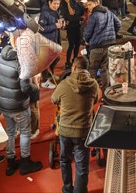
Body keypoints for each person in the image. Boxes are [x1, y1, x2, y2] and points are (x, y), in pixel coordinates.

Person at [51, 56, 99, 193]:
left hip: (65, 130)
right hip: (83, 131)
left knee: (65, 160)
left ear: (74, 67)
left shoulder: (64, 84)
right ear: (85, 68)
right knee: (82, 165)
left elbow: (53, 99)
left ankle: (67, 189)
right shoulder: (93, 84)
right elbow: (95, 101)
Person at [0, 45, 43, 176]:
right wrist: (36, 89)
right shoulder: (20, 63)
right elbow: (26, 87)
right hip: (19, 105)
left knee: (10, 133)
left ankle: (10, 162)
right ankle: (25, 162)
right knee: (24, 133)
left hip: (4, 104)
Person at [82, 0, 121, 92]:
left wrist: (86, 39)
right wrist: (112, 34)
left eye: (90, 5)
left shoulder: (93, 16)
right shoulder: (109, 12)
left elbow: (88, 33)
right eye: (88, 5)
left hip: (97, 47)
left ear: (96, 3)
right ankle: (106, 93)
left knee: (93, 70)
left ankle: (93, 93)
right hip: (110, 45)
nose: (89, 7)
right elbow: (119, 24)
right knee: (105, 69)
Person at [39, 0, 65, 89]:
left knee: (56, 58)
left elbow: (57, 24)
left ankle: (50, 75)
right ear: (50, 2)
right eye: (54, 3)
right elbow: (41, 28)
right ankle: (44, 81)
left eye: (58, 4)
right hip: (46, 41)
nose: (56, 6)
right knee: (47, 61)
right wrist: (55, 26)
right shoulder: (45, 13)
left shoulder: (56, 12)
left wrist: (61, 24)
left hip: (54, 40)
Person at [61, 0, 84, 69]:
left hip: (77, 25)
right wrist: (68, 4)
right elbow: (70, 14)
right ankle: (67, 61)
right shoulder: (63, 4)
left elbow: (76, 13)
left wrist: (74, 17)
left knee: (77, 44)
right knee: (71, 44)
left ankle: (75, 59)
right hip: (70, 27)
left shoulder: (74, 2)